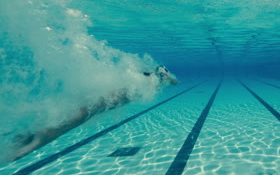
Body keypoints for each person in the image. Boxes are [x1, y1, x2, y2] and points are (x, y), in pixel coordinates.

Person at [12, 66, 178, 161]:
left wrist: (162, 73)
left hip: (100, 102)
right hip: (101, 102)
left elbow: (173, 82)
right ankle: (28, 146)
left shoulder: (143, 78)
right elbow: (173, 81)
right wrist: (163, 73)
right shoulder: (148, 80)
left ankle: (29, 137)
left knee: (67, 118)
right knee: (69, 123)